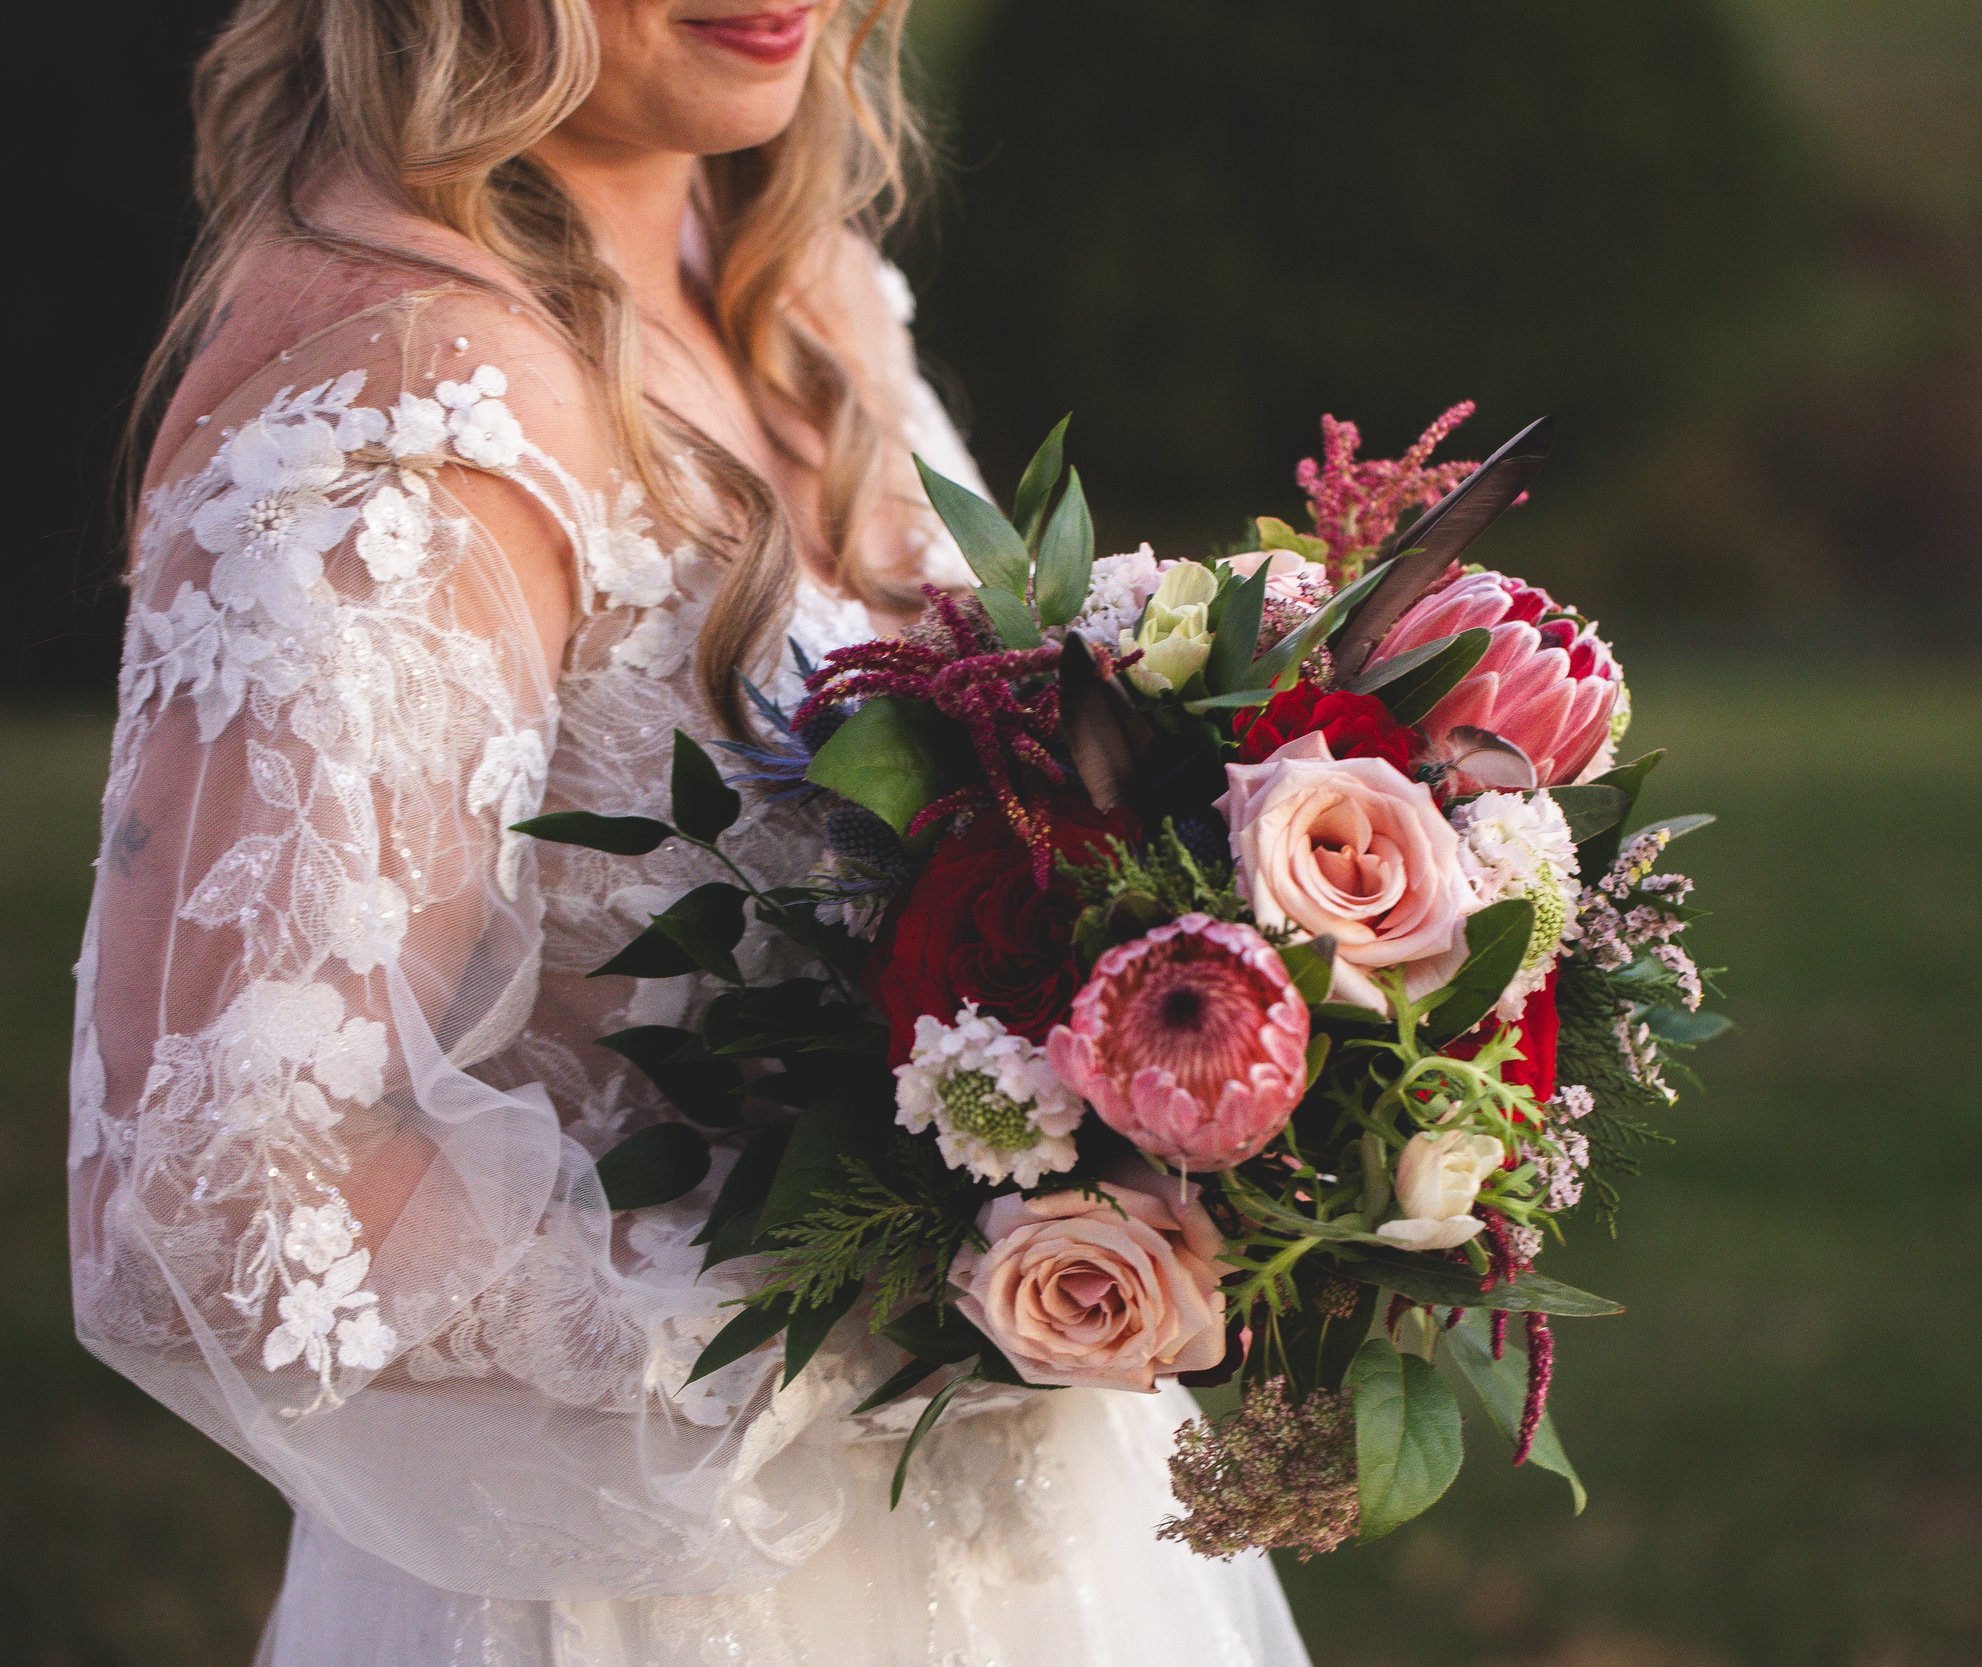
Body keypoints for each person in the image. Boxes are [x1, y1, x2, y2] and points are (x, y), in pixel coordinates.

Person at [68, 3, 1310, 1661]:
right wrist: (898, 1301)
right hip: (645, 1591)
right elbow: (234, 1190)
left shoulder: (806, 291)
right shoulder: (415, 404)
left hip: (1050, 1553)